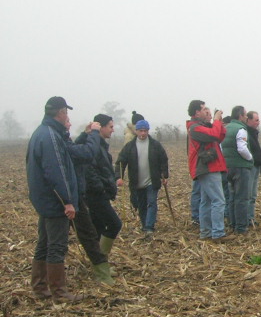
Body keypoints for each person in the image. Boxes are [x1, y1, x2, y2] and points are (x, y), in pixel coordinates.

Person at [27, 97, 99, 301]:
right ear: (60, 113)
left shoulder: (41, 133)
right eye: (66, 112)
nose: (68, 116)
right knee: (57, 245)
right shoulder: (51, 137)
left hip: (44, 200)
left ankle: (40, 287)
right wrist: (67, 200)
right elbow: (57, 171)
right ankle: (59, 291)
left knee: (44, 243)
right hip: (55, 202)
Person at [115, 119, 169, 238]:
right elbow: (120, 162)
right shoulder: (130, 146)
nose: (143, 133)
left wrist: (164, 175)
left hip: (152, 180)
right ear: (136, 131)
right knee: (141, 205)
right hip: (136, 182)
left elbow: (163, 160)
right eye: (140, 131)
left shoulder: (155, 145)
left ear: (148, 131)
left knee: (151, 203)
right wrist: (119, 177)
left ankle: (149, 226)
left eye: (145, 131)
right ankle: (145, 225)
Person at [79, 113, 123, 256]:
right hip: (96, 195)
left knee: (97, 228)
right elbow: (89, 170)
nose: (113, 130)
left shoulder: (100, 144)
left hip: (97, 193)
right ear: (101, 127)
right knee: (114, 224)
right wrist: (101, 189)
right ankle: (101, 260)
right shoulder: (95, 145)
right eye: (110, 127)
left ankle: (96, 262)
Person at [187, 100, 229, 240]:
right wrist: (216, 120)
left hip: (209, 167)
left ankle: (205, 232)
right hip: (208, 167)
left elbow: (220, 136)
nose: (207, 112)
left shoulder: (202, 126)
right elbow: (214, 135)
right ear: (196, 112)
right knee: (218, 200)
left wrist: (219, 122)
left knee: (206, 201)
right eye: (204, 109)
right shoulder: (195, 128)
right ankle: (218, 233)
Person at [221, 105, 255, 235]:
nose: (246, 117)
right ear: (240, 116)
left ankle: (232, 223)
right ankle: (241, 227)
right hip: (240, 167)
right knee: (242, 198)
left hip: (227, 167)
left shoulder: (226, 128)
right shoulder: (241, 129)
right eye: (245, 115)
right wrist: (250, 158)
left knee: (232, 197)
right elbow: (242, 148)